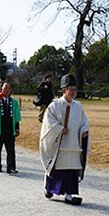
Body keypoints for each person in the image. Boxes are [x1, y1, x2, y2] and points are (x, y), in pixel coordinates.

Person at [40, 74, 90, 205]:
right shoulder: (54, 106)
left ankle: (69, 194)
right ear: (64, 90)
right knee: (56, 170)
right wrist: (59, 129)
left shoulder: (78, 106)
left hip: (74, 145)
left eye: (75, 89)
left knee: (72, 172)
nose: (73, 92)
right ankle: (49, 188)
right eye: (70, 89)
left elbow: (84, 122)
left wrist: (84, 131)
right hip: (60, 146)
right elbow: (48, 123)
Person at [0, 82, 21, 173]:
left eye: (9, 88)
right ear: (1, 89)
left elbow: (16, 116)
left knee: (11, 150)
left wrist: (17, 128)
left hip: (10, 129)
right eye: (6, 88)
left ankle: (11, 167)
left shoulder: (14, 102)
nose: (7, 90)